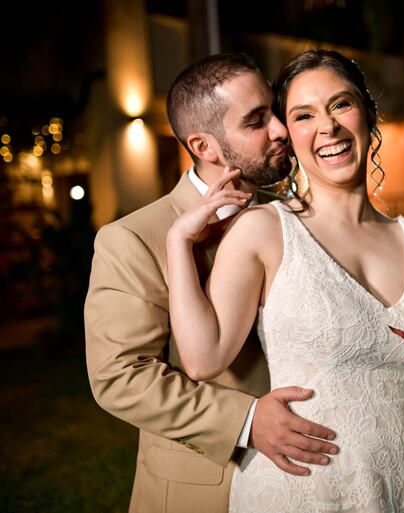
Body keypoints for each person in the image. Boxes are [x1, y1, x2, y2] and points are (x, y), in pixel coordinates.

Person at [166, 49, 404, 513]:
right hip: (307, 490)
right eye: (304, 115)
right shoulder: (264, 231)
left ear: (367, 113)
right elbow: (204, 359)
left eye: (341, 104)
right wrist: (178, 241)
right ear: (288, 134)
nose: (328, 127)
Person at [84, 53, 339, 513]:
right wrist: (245, 420)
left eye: (275, 112)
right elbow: (120, 378)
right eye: (256, 121)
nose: (281, 130)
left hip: (319, 475)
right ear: (204, 146)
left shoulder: (299, 219)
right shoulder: (134, 239)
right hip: (206, 489)